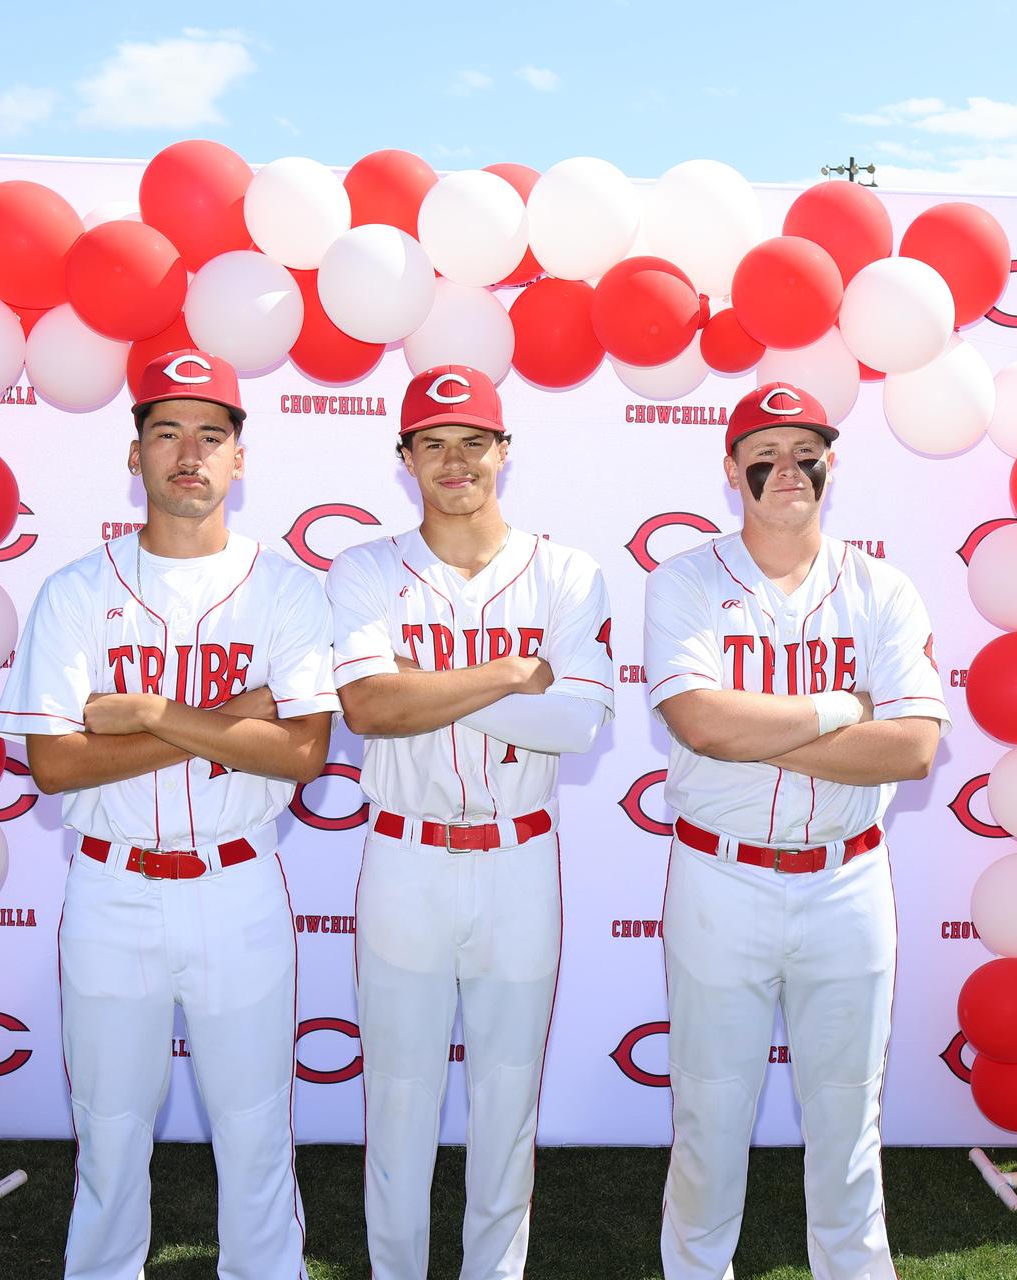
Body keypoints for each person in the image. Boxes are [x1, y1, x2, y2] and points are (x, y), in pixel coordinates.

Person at [0, 349, 338, 1280]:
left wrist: (149, 713)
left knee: (259, 1123)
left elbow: (305, 755)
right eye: (167, 433)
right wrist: (233, 721)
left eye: (210, 435)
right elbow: (56, 763)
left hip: (238, 883)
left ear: (239, 458)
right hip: (115, 886)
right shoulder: (75, 590)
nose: (189, 453)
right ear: (135, 454)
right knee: (108, 1130)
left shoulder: (288, 589)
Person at [644, 381, 950, 1280]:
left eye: (804, 448)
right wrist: (834, 709)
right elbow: (701, 726)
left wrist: (758, 734)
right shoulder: (687, 580)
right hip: (720, 880)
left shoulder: (882, 588)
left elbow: (913, 749)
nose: (788, 467)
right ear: (732, 468)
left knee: (848, 1118)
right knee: (709, 1115)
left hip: (846, 880)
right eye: (764, 453)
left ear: (831, 460)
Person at [326, 364, 614, 1280]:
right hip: (405, 856)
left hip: (519, 859)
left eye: (473, 441)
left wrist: (428, 690)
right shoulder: (364, 568)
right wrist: (507, 674)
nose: (455, 461)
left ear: (504, 451)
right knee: (399, 1100)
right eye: (434, 443)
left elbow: (575, 720)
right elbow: (369, 708)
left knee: (506, 1100)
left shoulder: (568, 572)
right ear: (404, 456)